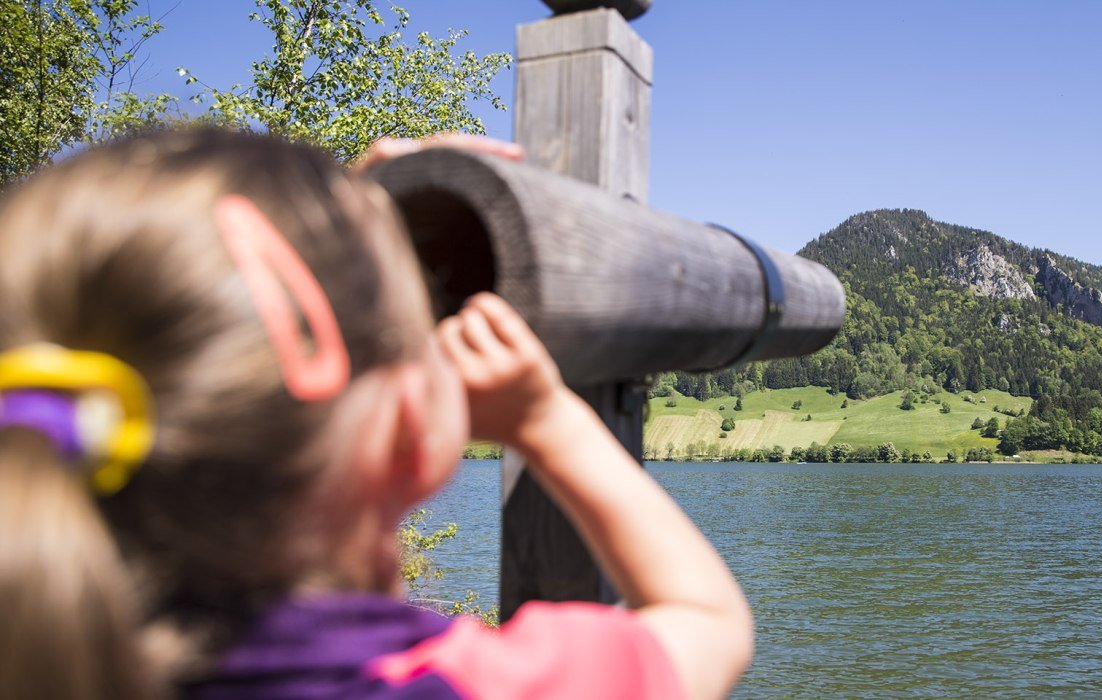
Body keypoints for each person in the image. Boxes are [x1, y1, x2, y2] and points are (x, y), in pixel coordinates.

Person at [0, 128, 752, 700]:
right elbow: (708, 621)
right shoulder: (440, 684)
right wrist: (546, 420)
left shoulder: (47, 636)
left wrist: (340, 257)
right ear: (401, 427)